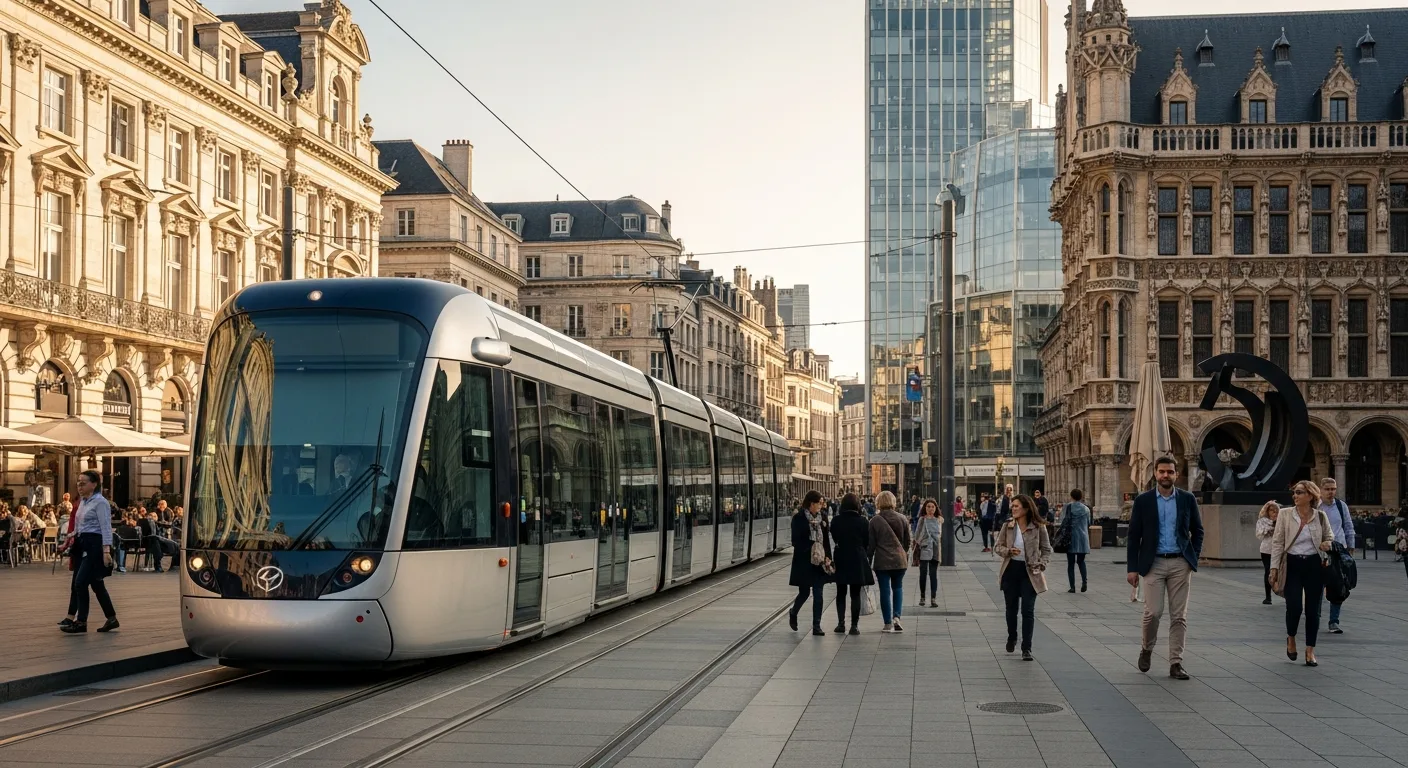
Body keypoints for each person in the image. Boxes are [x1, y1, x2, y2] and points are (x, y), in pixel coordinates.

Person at [1126, 456, 1204, 681]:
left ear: (1176, 474)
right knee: (1153, 612)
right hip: (1154, 563)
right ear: (1156, 474)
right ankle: (1147, 648)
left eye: (1170, 472)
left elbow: (1198, 530)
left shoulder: (1187, 499)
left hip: (1180, 562)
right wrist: (1132, 568)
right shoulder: (1144, 501)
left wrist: (1192, 557)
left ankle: (1176, 662)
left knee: (1179, 616)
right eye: (1162, 472)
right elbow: (1134, 536)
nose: (1165, 475)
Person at [1270, 480, 1335, 667]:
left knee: (1313, 610)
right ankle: (1291, 638)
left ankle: (1310, 650)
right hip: (1292, 564)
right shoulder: (1285, 514)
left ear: (1310, 496)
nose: (1295, 496)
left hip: (1315, 565)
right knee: (1295, 607)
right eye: (1295, 492)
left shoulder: (1320, 516)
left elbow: (1329, 536)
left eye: (1299, 492)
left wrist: (1327, 543)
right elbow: (1277, 542)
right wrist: (1274, 569)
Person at [62, 470, 119, 634]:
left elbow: (105, 527)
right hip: (83, 543)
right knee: (96, 584)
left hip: (95, 545)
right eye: (78, 483)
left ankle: (81, 621)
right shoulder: (83, 502)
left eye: (83, 483)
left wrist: (106, 551)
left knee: (80, 582)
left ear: (94, 484)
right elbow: (81, 525)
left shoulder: (101, 502)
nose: (79, 486)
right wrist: (69, 538)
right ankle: (112, 618)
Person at [995, 494, 1051, 660]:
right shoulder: (1008, 526)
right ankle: (1012, 636)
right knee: (1011, 610)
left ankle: (1027, 648)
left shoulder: (1038, 527)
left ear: (1026, 508)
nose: (1013, 508)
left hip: (1030, 572)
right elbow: (998, 546)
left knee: (1027, 610)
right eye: (1012, 506)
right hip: (1011, 570)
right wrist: (1008, 551)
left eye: (1016, 506)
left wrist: (1042, 563)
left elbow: (1046, 549)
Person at [788, 491, 832, 636]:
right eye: (819, 503)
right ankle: (793, 612)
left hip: (819, 562)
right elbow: (795, 541)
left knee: (818, 593)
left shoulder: (823, 517)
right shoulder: (799, 518)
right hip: (804, 561)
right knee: (804, 592)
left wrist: (827, 557)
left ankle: (816, 626)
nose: (821, 505)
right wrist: (811, 546)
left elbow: (826, 540)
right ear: (811, 504)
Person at [830, 493, 873, 635]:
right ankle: (854, 626)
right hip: (857, 557)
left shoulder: (836, 521)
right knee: (855, 593)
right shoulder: (863, 521)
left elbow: (835, 537)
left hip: (841, 556)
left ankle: (841, 624)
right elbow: (867, 541)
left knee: (841, 592)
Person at [869, 492, 911, 632]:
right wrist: (903, 553)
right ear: (893, 502)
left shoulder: (875, 521)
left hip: (882, 561)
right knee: (898, 588)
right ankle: (897, 617)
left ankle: (887, 623)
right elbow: (907, 541)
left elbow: (871, 545)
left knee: (885, 591)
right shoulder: (902, 518)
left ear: (878, 502)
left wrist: (868, 560)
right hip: (899, 560)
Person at [1316, 478, 1354, 634]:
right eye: (1327, 489)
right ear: (1320, 490)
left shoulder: (1340, 505)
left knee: (1338, 586)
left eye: (1333, 489)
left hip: (1338, 550)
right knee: (1317, 586)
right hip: (1319, 551)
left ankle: (1334, 621)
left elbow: (1348, 525)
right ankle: (1315, 617)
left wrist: (1350, 547)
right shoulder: (1315, 506)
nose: (1331, 492)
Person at [1062, 489, 1091, 593]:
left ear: (1071, 496)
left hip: (1071, 538)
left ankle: (1072, 587)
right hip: (1083, 538)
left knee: (1071, 563)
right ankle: (1084, 582)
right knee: (1081, 561)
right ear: (1081, 497)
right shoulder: (1086, 509)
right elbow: (1089, 523)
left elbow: (1064, 521)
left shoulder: (1068, 507)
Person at [915, 498, 942, 607]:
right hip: (925, 548)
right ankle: (922, 597)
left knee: (933, 574)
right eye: (928, 507)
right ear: (925, 508)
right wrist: (922, 542)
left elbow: (940, 535)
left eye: (932, 507)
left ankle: (933, 598)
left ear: (936, 508)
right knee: (923, 574)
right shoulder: (922, 519)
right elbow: (917, 534)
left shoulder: (939, 520)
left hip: (935, 549)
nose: (930, 509)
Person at [1255, 501, 1279, 605]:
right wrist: (1270, 528)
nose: (1274, 513)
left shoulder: (1282, 521)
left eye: (1276, 511)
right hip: (1267, 550)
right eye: (1271, 511)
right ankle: (1268, 597)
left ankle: (1281, 590)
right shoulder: (1262, 521)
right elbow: (1259, 534)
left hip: (1279, 550)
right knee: (1268, 570)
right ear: (1267, 511)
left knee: (1281, 571)